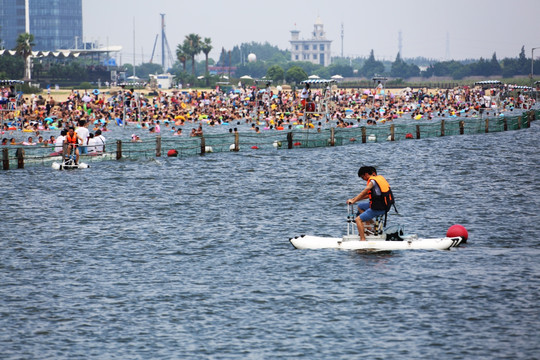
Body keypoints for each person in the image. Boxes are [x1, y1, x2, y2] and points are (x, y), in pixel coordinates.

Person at [346, 166, 395, 241]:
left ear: (366, 174)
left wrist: (353, 201)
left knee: (358, 220)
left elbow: (364, 192)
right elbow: (369, 195)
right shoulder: (379, 179)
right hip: (384, 206)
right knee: (360, 206)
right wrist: (353, 199)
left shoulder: (372, 182)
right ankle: (369, 227)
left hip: (378, 208)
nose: (364, 179)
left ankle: (363, 239)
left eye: (363, 177)